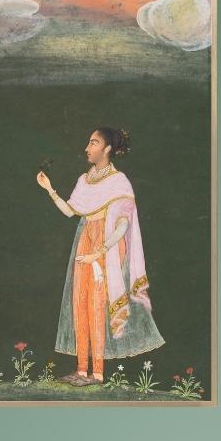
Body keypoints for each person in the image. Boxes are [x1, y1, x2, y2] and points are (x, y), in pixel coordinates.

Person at [36, 128, 164, 386]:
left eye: (93, 143)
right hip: (84, 243)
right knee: (79, 303)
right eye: (88, 142)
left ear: (107, 149)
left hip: (105, 250)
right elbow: (70, 212)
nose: (87, 148)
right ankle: (81, 370)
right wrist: (50, 189)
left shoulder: (119, 181)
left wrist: (99, 252)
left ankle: (97, 374)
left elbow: (123, 226)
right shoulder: (85, 180)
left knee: (96, 306)